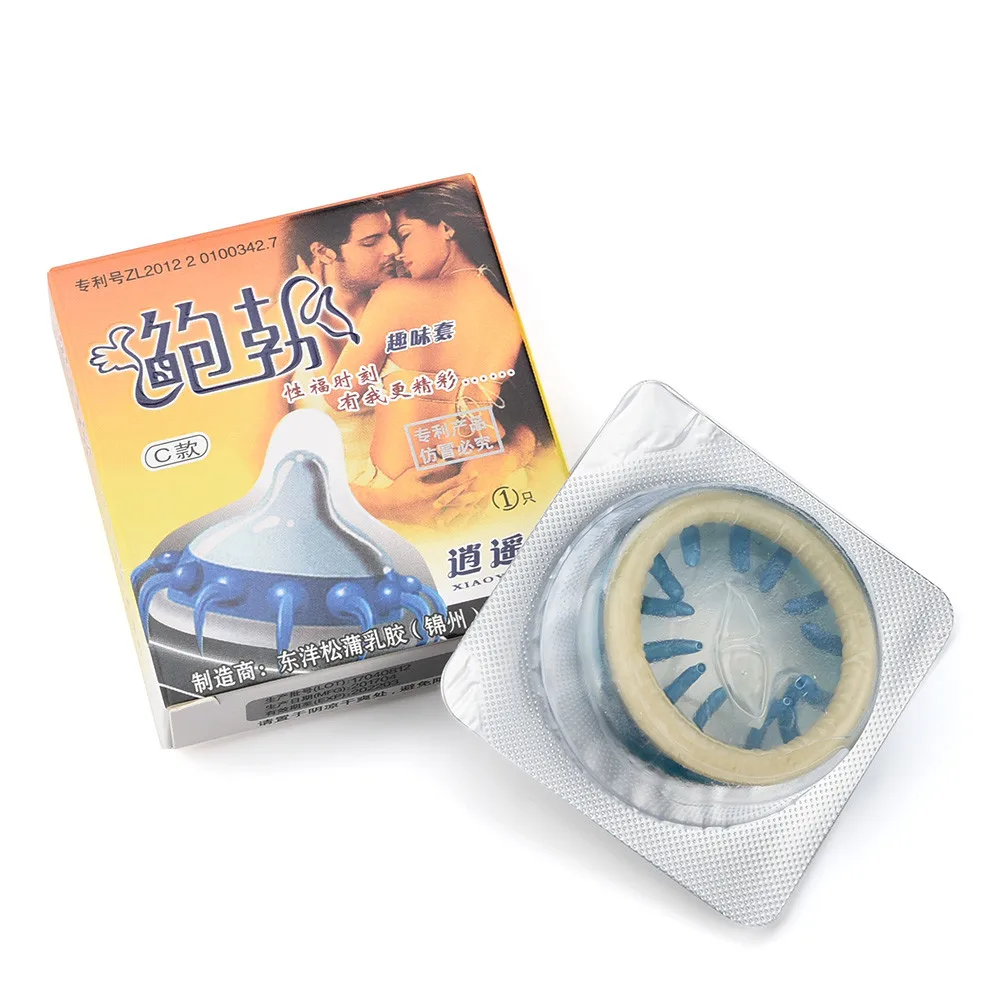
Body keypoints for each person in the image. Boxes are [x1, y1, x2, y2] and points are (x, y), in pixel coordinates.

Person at [336, 181, 546, 523]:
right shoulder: (509, 315)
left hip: (401, 497)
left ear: (446, 228)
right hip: (482, 491)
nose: (398, 252)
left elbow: (340, 394)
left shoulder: (396, 296)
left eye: (405, 235)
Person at [285, 199, 400, 327]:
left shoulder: (399, 305)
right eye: (370, 242)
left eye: (392, 234)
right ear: (323, 253)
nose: (395, 249)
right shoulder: (283, 321)